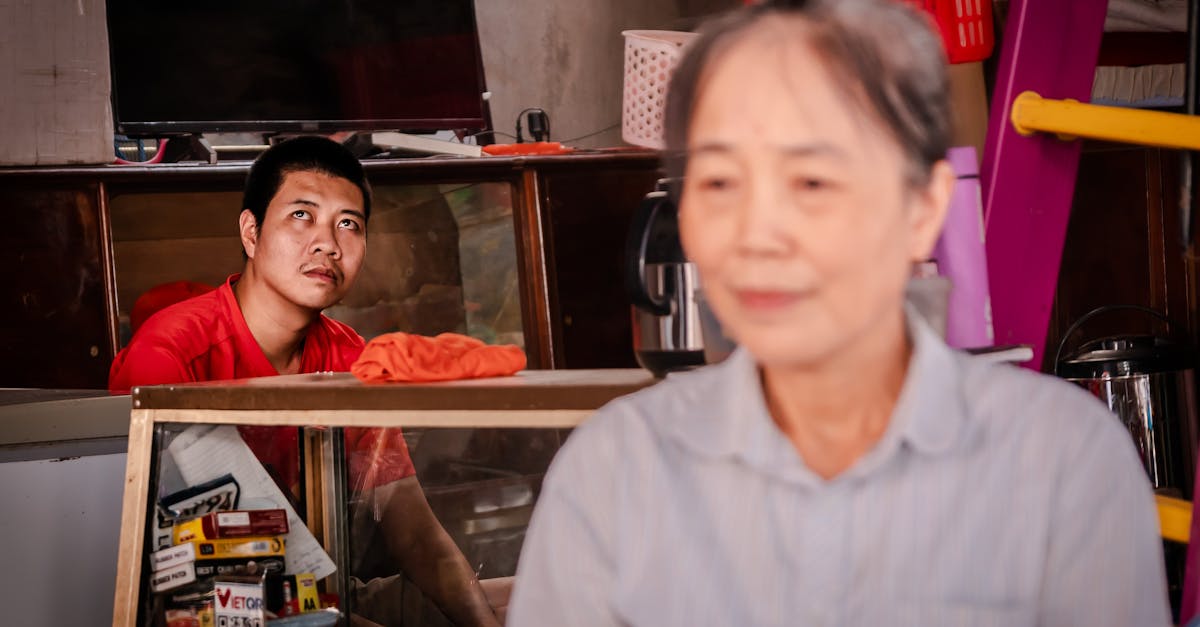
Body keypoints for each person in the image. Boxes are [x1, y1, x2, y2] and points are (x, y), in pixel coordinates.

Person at [508, 1, 1170, 625]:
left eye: (812, 182)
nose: (758, 233)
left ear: (923, 209)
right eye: (719, 183)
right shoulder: (613, 475)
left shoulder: (1061, 463)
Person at [110, 136, 502, 627]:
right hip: (210, 607)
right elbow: (196, 580)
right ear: (251, 232)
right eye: (302, 215)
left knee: (522, 599)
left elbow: (413, 530)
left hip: (322, 591)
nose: (328, 244)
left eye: (348, 224)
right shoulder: (169, 357)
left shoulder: (349, 358)